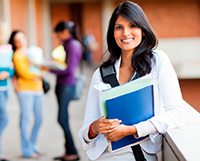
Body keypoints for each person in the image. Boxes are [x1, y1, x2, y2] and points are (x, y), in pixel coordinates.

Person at [78, 1, 185, 161]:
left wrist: (132, 129)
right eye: (119, 27)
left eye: (132, 25)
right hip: (104, 156)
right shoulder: (100, 73)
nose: (125, 33)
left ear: (143, 30)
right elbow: (84, 133)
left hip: (139, 156)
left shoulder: (157, 62)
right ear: (112, 33)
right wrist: (95, 127)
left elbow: (176, 114)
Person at [8, 30, 44, 158]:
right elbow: (25, 74)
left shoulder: (32, 51)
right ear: (14, 43)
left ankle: (32, 145)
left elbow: (41, 65)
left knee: (40, 118)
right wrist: (39, 74)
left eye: (22, 38)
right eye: (17, 40)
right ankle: (26, 150)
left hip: (38, 89)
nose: (20, 42)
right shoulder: (17, 55)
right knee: (26, 120)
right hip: (25, 90)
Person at [51, 21, 82, 161]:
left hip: (67, 86)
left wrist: (50, 68)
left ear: (64, 32)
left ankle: (73, 152)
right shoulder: (66, 45)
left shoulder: (73, 45)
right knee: (64, 118)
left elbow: (69, 69)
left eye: (58, 34)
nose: (58, 37)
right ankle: (68, 150)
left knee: (62, 118)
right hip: (62, 85)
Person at [0, 19, 14, 161]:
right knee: (4, 119)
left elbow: (11, 69)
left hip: (4, 89)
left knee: (3, 119)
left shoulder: (9, 48)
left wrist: (8, 73)